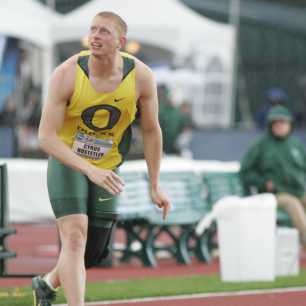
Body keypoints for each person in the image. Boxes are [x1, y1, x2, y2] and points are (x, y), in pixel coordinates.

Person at [32, 11, 171, 306]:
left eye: (104, 31)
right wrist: (88, 169)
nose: (95, 36)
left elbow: (151, 131)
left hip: (108, 166)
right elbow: (45, 137)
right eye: (92, 30)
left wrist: (155, 185)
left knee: (92, 253)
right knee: (74, 237)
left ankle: (46, 283)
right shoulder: (67, 73)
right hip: (67, 160)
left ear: (121, 41)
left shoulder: (141, 76)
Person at [240, 105, 306, 247]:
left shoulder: (296, 145)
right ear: (270, 125)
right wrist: (263, 183)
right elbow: (245, 171)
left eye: (283, 122)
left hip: (299, 191)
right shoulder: (261, 145)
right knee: (292, 203)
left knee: (298, 200)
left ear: (290, 124)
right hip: (274, 195)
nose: (279, 126)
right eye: (276, 123)